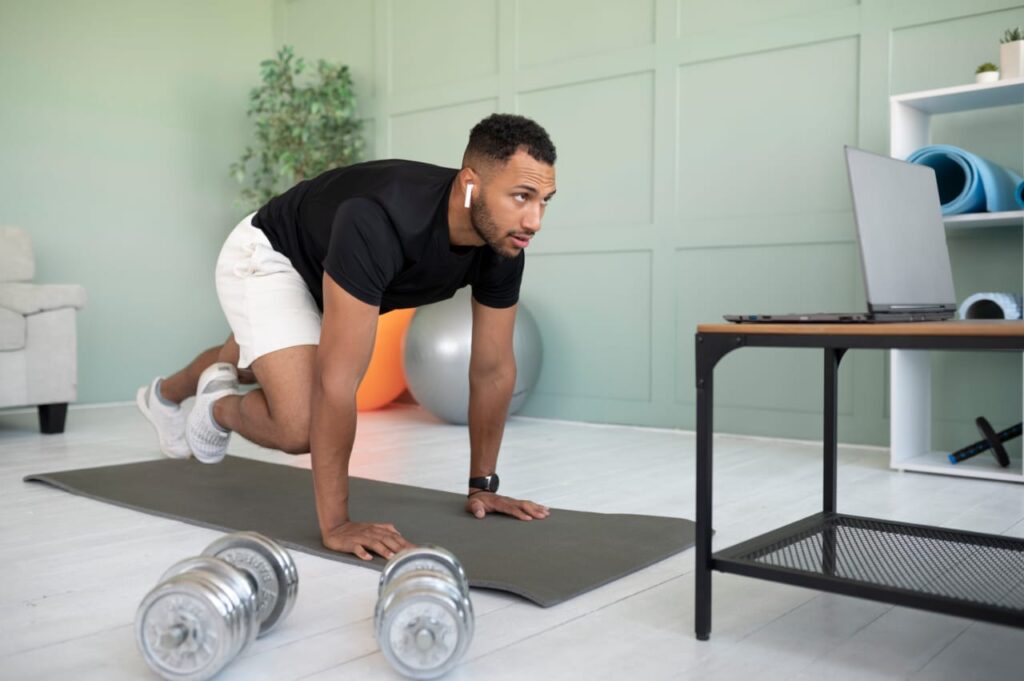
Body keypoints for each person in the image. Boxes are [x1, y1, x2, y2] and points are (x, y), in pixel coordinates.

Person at [136, 113, 557, 560]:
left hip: (334, 272)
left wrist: (483, 486)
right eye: (521, 197)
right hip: (274, 255)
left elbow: (492, 370)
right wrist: (336, 524)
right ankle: (217, 408)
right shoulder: (380, 219)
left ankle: (162, 397)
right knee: (299, 424)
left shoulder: (502, 241)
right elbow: (336, 382)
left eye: (544, 201)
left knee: (242, 359)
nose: (534, 221)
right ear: (471, 184)